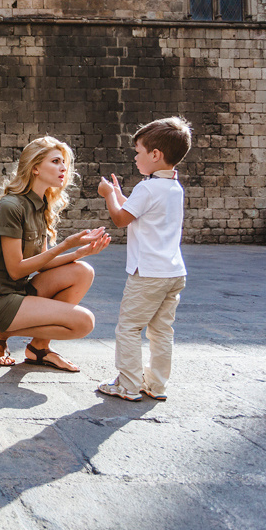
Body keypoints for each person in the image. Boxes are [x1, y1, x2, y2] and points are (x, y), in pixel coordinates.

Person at [0, 136, 111, 370]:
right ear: (35, 168)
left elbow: (43, 264)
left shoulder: (40, 205)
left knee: (83, 271)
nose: (63, 167)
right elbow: (16, 270)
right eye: (55, 161)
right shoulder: (11, 207)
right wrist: (66, 245)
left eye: (64, 162)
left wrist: (81, 252)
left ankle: (38, 348)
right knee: (83, 323)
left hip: (19, 292)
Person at [96, 116, 192, 401]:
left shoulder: (148, 188)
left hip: (148, 273)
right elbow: (141, 212)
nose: (135, 157)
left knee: (129, 327)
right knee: (161, 331)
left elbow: (121, 218)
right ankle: (157, 385)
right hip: (173, 272)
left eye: (138, 152)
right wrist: (121, 194)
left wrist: (108, 196)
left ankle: (127, 384)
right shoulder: (173, 187)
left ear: (155, 154)